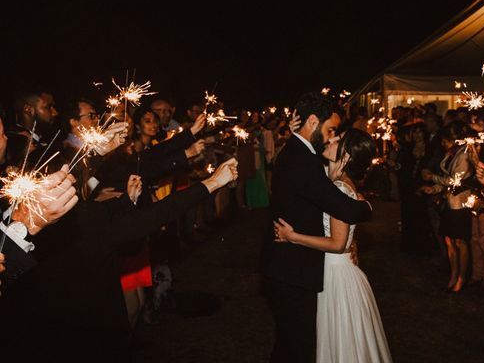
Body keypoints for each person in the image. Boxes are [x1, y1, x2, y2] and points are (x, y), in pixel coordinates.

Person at [0, 158, 238, 361]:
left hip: (36, 339)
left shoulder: (8, 219)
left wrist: (127, 201)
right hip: (89, 336)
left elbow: (110, 212)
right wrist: (212, 182)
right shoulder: (83, 220)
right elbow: (152, 217)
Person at [262, 92, 373, 363]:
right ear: (312, 121)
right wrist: (368, 207)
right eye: (330, 129)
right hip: (292, 271)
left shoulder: (299, 153)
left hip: (293, 267)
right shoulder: (304, 161)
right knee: (294, 347)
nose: (332, 137)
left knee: (294, 343)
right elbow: (346, 209)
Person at [274, 128, 392, 362]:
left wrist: (292, 236)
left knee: (339, 342)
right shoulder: (334, 181)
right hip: (338, 269)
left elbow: (338, 243)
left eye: (339, 139)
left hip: (335, 273)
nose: (332, 138)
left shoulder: (339, 188)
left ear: (346, 156)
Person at [420, 120, 474, 292]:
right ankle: (454, 273)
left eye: (445, 141)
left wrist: (432, 178)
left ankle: (461, 277)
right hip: (449, 202)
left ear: (454, 139)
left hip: (460, 203)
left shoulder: (464, 155)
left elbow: (454, 181)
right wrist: (434, 188)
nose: (443, 144)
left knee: (460, 241)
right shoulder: (451, 154)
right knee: (449, 240)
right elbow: (446, 181)